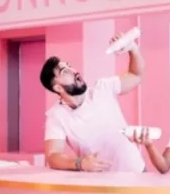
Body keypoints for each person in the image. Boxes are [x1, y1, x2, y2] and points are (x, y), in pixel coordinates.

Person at [40, 30, 146, 173]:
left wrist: (132, 48)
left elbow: (135, 75)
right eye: (65, 72)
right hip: (100, 184)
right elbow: (53, 156)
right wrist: (80, 163)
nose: (73, 70)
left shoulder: (103, 88)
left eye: (70, 66)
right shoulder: (56, 115)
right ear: (57, 87)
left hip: (137, 173)